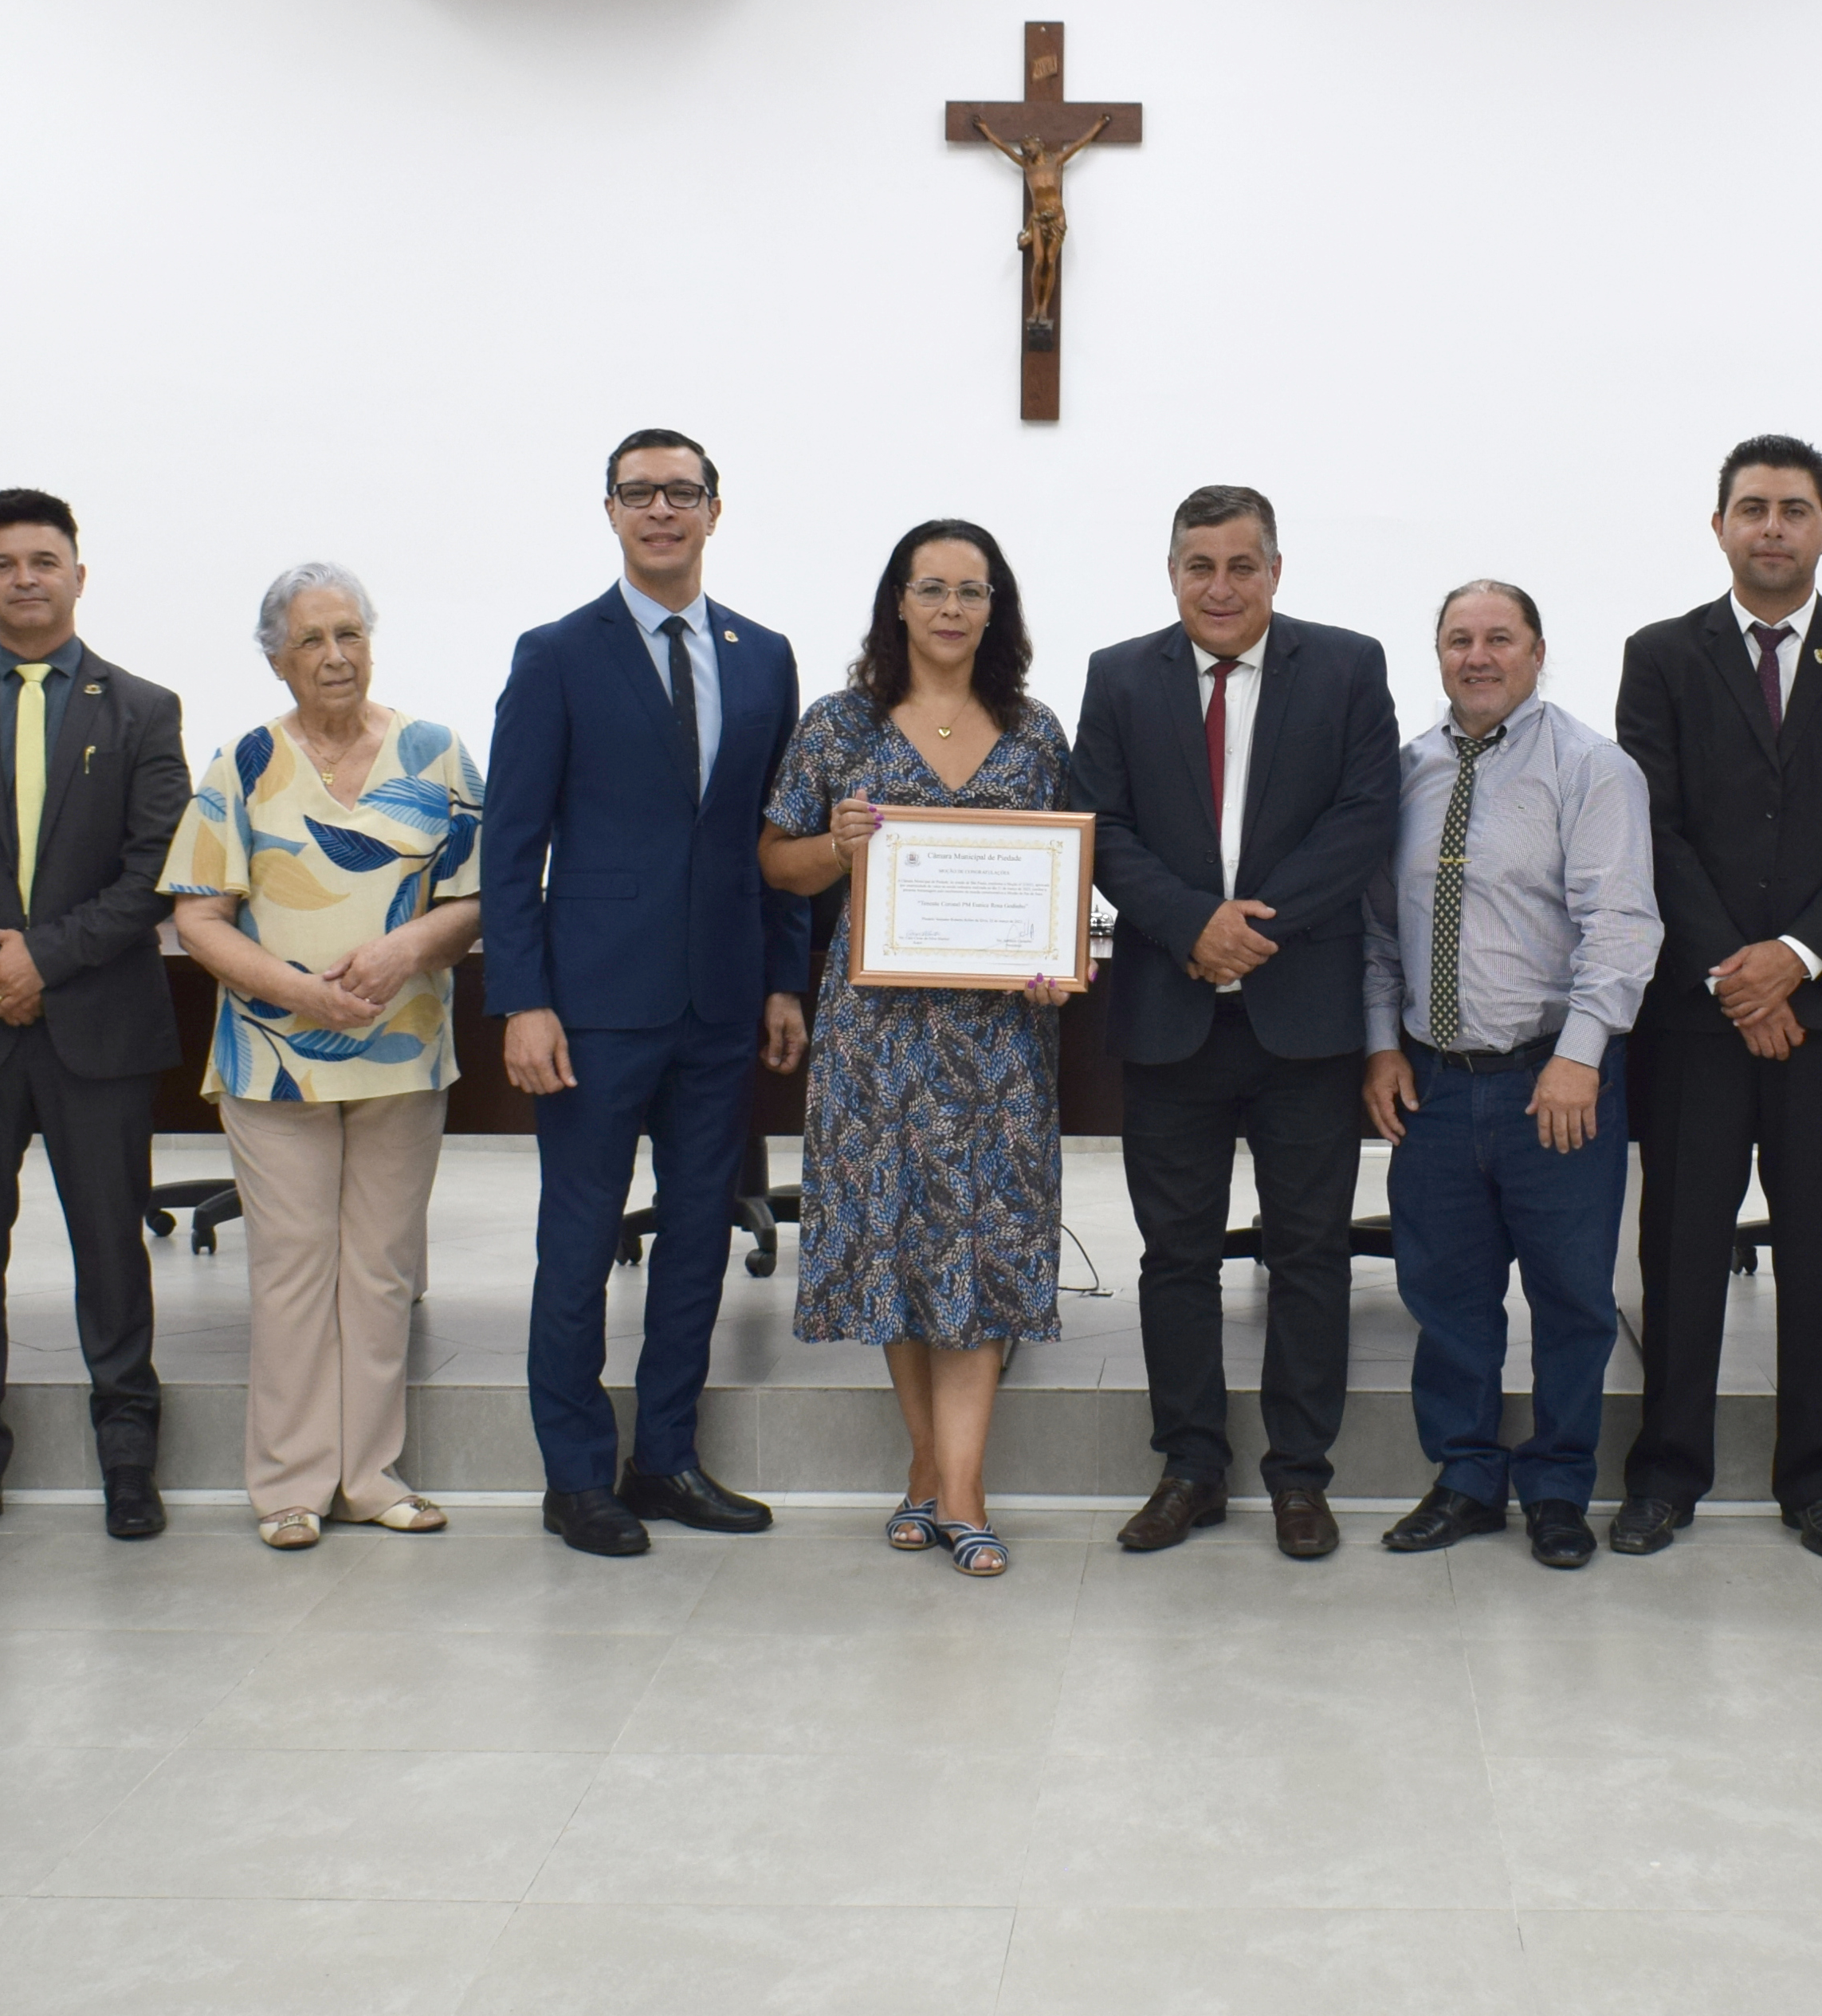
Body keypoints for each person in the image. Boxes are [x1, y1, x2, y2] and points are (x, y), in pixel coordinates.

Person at [480, 431, 812, 1558]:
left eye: (682, 492)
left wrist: (781, 978)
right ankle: (576, 1476)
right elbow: (511, 841)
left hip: (719, 1002)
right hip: (589, 1008)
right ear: (610, 511)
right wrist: (522, 998)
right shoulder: (555, 653)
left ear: (716, 510)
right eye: (639, 493)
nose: (660, 509)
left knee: (696, 1242)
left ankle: (664, 1456)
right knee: (576, 1245)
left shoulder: (763, 655)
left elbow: (777, 835)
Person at [1072, 484, 1401, 1560]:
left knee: (1308, 1251)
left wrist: (1250, 928)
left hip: (1301, 1014)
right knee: (1176, 1254)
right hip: (1169, 1008)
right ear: (1172, 572)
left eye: (1241, 565)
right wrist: (1189, 926)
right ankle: (1191, 1466)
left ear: (1275, 568)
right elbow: (1102, 826)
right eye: (1198, 565)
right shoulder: (1119, 675)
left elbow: (1364, 819)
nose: (1220, 586)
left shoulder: (1347, 666)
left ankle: (1299, 1477)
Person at [1614, 434, 1822, 1559]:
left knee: (1817, 1253)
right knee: (1682, 1250)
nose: (1773, 527)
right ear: (1719, 526)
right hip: (1698, 1018)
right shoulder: (1659, 656)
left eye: (1794, 509)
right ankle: (1664, 1475)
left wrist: (1792, 957)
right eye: (1752, 507)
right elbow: (1653, 824)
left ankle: (1817, 1479)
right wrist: (1735, 972)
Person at [760, 520, 1082, 1580]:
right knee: (898, 1244)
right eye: (931, 586)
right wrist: (835, 846)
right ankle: (935, 1475)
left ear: (997, 608)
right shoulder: (838, 725)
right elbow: (778, 861)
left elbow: (1067, 878)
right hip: (876, 1039)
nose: (951, 607)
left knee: (983, 1246)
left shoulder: (1033, 733)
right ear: (895, 601)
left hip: (998, 1041)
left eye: (972, 590)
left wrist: (1056, 954)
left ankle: (959, 1485)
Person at [0, 487, 193, 1548]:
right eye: (4, 562)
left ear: (77, 575)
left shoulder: (143, 709)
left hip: (94, 1023)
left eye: (44, 559)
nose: (25, 577)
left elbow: (153, 869)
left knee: (111, 1244)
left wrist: (41, 959)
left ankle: (128, 1454)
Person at [160, 563, 486, 1552]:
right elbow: (196, 915)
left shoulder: (435, 755)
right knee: (294, 1269)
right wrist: (296, 989)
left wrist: (405, 949)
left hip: (402, 1049)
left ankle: (370, 1472)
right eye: (311, 640)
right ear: (275, 657)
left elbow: (481, 894)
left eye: (350, 633)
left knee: (381, 1269)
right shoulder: (242, 761)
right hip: (276, 1059)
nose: (335, 656)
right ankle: (291, 1482)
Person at [1362, 583, 1659, 1570]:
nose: (1478, 656)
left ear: (1538, 651)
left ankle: (1560, 1486)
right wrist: (1381, 1043)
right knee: (1445, 1295)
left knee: (1573, 1297)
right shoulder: (1403, 772)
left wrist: (1581, 1053)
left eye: (1500, 638)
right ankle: (1465, 1476)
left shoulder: (1591, 767)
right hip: (1437, 1084)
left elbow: (1622, 923)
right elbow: (1378, 932)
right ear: (1437, 653)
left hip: (1555, 1082)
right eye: (1459, 639)